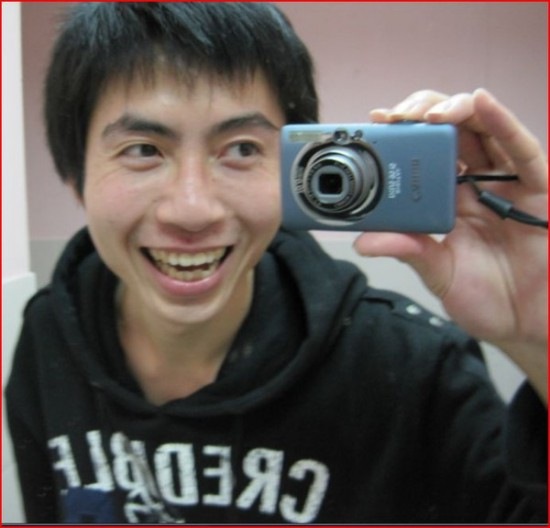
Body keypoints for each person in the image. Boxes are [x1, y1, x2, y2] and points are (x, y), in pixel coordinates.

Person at [5, 2, 547, 524]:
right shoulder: (49, 335)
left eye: (242, 149)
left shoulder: (412, 367)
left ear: (293, 169)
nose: (192, 209)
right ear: (76, 177)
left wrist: (538, 342)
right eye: (144, 150)